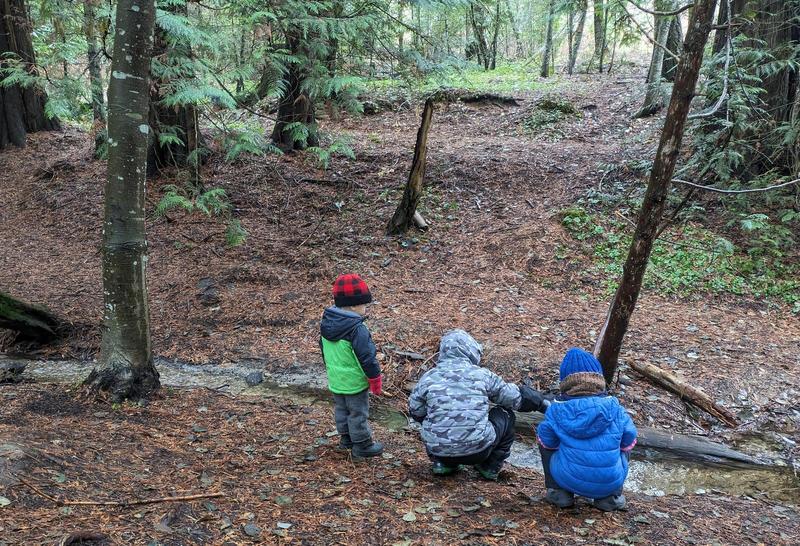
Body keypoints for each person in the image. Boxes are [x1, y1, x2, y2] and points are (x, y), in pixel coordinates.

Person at [408, 329, 547, 480]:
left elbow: (415, 411)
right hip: (478, 451)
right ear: (471, 350)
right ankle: (489, 466)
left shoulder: (429, 377)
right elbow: (513, 398)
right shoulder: (481, 374)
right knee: (506, 414)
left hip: (437, 450)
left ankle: (443, 464)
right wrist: (539, 402)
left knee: (431, 417)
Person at [537, 348, 637, 511]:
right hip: (610, 480)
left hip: (567, 478)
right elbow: (630, 438)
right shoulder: (616, 408)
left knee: (544, 442)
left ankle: (559, 492)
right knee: (626, 444)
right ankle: (611, 497)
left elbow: (547, 442)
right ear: (599, 380)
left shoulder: (556, 410)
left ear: (565, 383)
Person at [320, 273, 384, 458]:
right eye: (364, 304)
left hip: (336, 380)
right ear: (355, 305)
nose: (365, 308)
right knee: (357, 413)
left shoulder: (327, 323)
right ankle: (362, 445)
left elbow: (324, 351)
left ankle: (346, 440)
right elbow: (367, 357)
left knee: (341, 409)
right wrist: (375, 379)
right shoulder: (357, 329)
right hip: (354, 382)